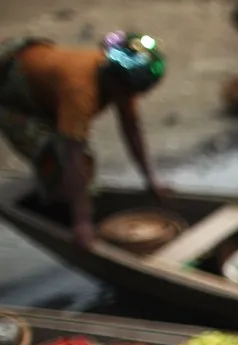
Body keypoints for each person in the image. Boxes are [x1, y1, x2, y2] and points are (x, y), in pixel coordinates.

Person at [0, 31, 167, 249]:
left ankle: (69, 204)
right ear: (114, 80)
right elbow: (73, 156)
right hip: (12, 93)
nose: (129, 97)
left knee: (76, 165)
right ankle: (59, 214)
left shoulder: (119, 82)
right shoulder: (81, 91)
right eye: (127, 91)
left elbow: (131, 130)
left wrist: (150, 181)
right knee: (58, 159)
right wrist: (82, 222)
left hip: (44, 87)